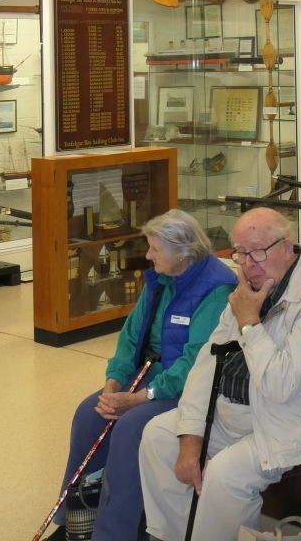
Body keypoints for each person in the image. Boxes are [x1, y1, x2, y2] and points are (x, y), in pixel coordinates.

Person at [138, 207, 301, 541]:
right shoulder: (249, 286)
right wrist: (191, 438)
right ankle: (172, 536)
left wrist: (250, 324)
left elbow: (281, 385)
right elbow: (208, 364)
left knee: (225, 474)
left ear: (287, 246)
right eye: (240, 253)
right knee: (158, 436)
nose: (247, 263)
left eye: (257, 252)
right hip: (238, 410)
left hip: (294, 420)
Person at [45, 210, 236, 541]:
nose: (148, 255)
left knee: (132, 428)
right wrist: (113, 384)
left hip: (188, 387)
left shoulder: (216, 290)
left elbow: (196, 363)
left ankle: (114, 532)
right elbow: (131, 336)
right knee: (90, 414)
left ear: (183, 250)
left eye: (155, 249)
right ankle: (75, 521)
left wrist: (140, 398)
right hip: (151, 375)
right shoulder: (162, 279)